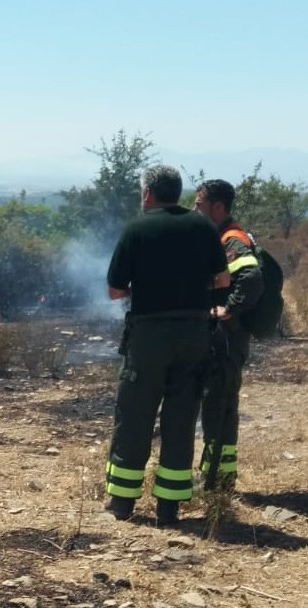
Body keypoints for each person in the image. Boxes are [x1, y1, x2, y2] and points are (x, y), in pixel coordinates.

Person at [104, 166, 230, 525]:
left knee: (135, 414)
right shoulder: (203, 226)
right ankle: (169, 508)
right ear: (177, 193)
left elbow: (115, 291)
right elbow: (222, 278)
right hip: (193, 334)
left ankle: (123, 503)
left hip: (149, 336)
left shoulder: (136, 228)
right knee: (182, 416)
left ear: (148, 194)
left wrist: (143, 287)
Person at [193, 179, 265, 493]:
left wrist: (228, 310)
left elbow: (251, 277)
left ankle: (213, 481)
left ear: (217, 206)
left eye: (199, 204)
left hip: (226, 340)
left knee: (217, 404)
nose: (195, 209)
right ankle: (220, 478)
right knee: (221, 404)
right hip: (222, 339)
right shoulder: (219, 237)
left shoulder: (231, 239)